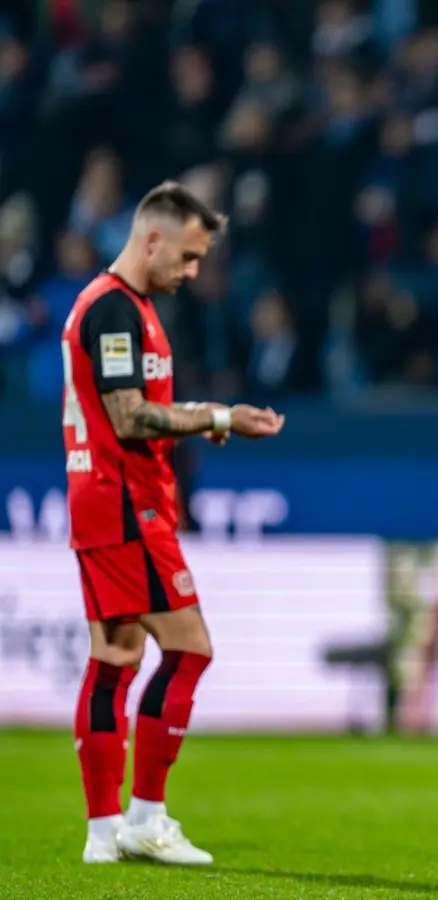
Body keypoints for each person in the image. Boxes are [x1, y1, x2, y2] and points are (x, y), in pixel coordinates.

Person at [66, 181, 285, 866]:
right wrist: (218, 416)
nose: (192, 274)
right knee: (189, 650)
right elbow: (129, 417)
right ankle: (146, 818)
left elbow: (126, 409)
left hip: (106, 502)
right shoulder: (114, 311)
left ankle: (105, 833)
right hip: (127, 506)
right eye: (188, 258)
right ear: (152, 238)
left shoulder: (124, 309)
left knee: (116, 659)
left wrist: (188, 418)